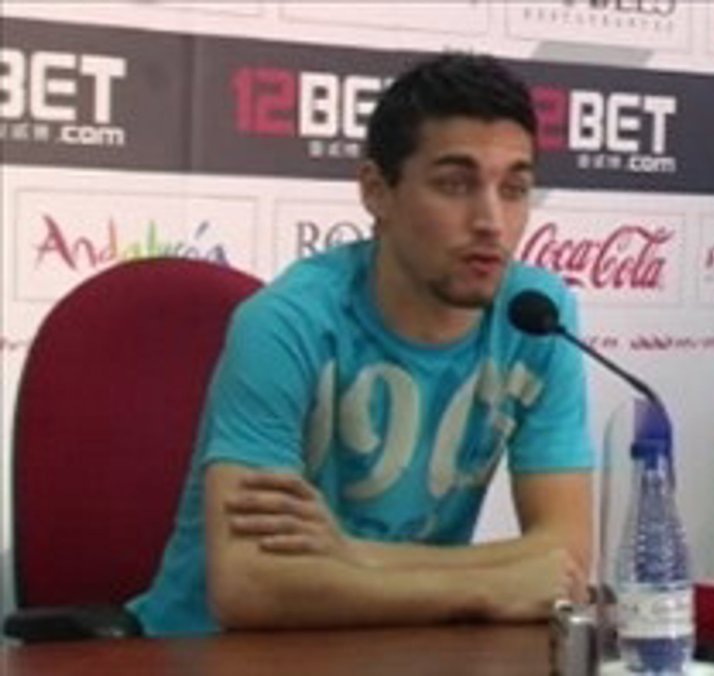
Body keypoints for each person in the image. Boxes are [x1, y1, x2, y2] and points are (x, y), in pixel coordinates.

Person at [128, 53, 594, 636]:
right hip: (210, 653)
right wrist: (488, 586)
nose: (491, 221)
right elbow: (249, 586)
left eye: (515, 189)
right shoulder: (285, 322)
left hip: (392, 643)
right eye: (455, 185)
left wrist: (351, 555)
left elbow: (564, 558)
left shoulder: (538, 318)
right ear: (377, 191)